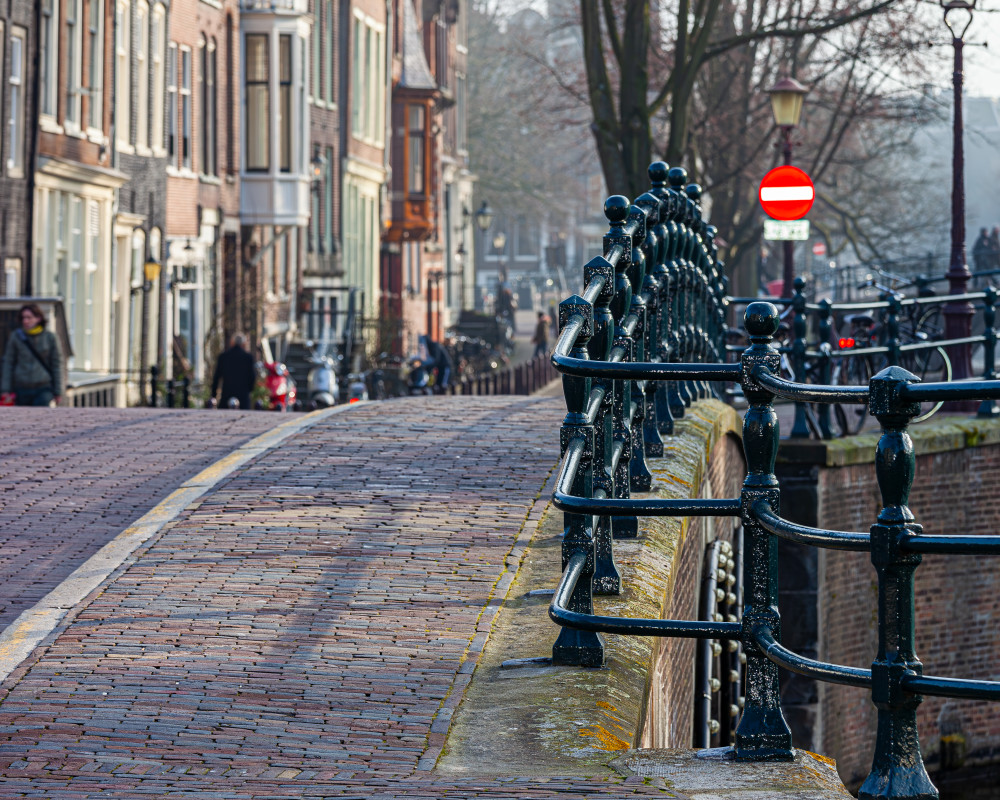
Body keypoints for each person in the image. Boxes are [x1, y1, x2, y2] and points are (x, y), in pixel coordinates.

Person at [1, 304, 63, 407]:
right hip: (21, 388)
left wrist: (58, 391)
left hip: (43, 387)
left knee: (40, 418)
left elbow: (57, 365)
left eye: (29, 317)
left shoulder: (50, 337)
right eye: (23, 318)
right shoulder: (16, 337)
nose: (25, 321)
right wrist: (5, 389)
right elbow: (8, 363)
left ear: (38, 318)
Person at [211, 334, 256, 410]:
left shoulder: (223, 357)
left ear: (231, 343)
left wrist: (213, 395)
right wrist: (249, 390)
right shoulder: (248, 358)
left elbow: (217, 377)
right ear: (244, 344)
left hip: (227, 395)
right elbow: (252, 377)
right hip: (243, 396)